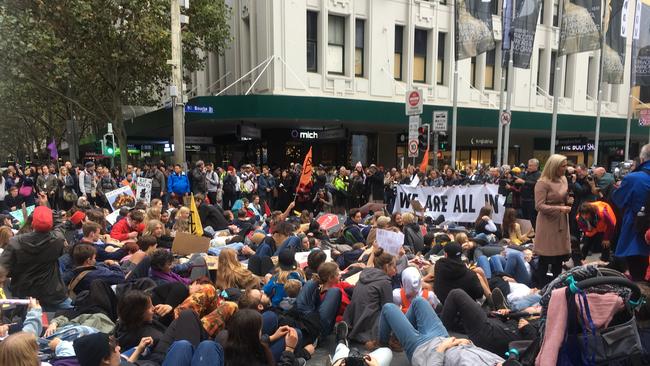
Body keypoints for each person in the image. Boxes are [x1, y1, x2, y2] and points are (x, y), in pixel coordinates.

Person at [378, 297, 504, 366]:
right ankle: (396, 338)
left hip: (424, 351)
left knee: (388, 308)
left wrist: (441, 349)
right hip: (444, 338)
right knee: (419, 301)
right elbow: (476, 352)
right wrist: (468, 342)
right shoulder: (502, 362)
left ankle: (382, 345)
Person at [0, 205, 71, 310]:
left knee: (28, 324)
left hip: (26, 296)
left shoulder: (15, 241)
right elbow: (60, 224)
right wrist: (46, 209)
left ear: (32, 223)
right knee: (72, 315)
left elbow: (3, 270)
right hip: (53, 294)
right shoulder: (57, 240)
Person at [611, 143, 650, 280]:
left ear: (642, 159)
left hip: (637, 234)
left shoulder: (634, 178)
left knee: (638, 277)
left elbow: (618, 199)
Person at [343, 248, 396, 346]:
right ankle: (373, 338)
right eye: (394, 267)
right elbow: (388, 308)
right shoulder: (384, 282)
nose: (395, 271)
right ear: (386, 266)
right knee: (392, 310)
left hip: (353, 320)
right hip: (368, 326)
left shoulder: (365, 274)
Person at [534, 154, 572, 287]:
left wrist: (568, 201)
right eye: (563, 166)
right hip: (547, 223)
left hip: (562, 220)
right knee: (545, 258)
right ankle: (541, 287)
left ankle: (556, 286)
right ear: (555, 166)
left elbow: (564, 197)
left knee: (559, 259)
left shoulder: (564, 179)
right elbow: (539, 205)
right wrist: (559, 208)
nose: (565, 168)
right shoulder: (542, 182)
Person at [224, 309, 301, 366]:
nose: (262, 331)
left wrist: (272, 337)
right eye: (260, 330)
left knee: (271, 316)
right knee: (297, 333)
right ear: (253, 335)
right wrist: (289, 350)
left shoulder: (230, 345)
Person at [517, 158, 541, 228]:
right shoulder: (526, 174)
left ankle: (534, 234)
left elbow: (536, 184)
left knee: (532, 218)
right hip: (524, 199)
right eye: (528, 165)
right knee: (525, 218)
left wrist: (524, 182)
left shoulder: (539, 174)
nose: (528, 167)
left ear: (536, 166)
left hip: (532, 200)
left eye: (531, 165)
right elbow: (522, 181)